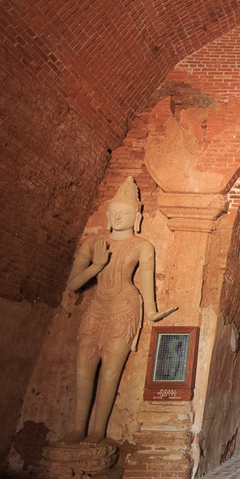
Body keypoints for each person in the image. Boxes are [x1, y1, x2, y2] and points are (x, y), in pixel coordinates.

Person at [61, 176, 176, 445]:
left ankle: (98, 429)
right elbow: (72, 285)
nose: (118, 217)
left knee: (111, 372)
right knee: (83, 368)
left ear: (136, 217)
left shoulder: (141, 246)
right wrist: (96, 266)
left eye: (124, 214)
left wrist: (152, 313)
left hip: (126, 308)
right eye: (113, 213)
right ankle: (78, 427)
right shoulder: (93, 243)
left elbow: (147, 283)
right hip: (97, 307)